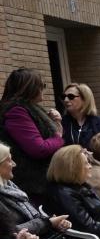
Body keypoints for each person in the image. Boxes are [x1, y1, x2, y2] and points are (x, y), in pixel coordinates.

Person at [0, 68, 64, 201]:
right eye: (42, 85)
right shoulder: (16, 111)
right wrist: (58, 137)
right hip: (33, 186)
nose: (43, 89)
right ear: (31, 88)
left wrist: (56, 123)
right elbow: (38, 148)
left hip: (41, 183)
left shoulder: (29, 108)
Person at [61, 83, 100, 148]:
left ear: (85, 99)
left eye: (71, 97)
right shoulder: (61, 122)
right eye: (63, 97)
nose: (66, 100)